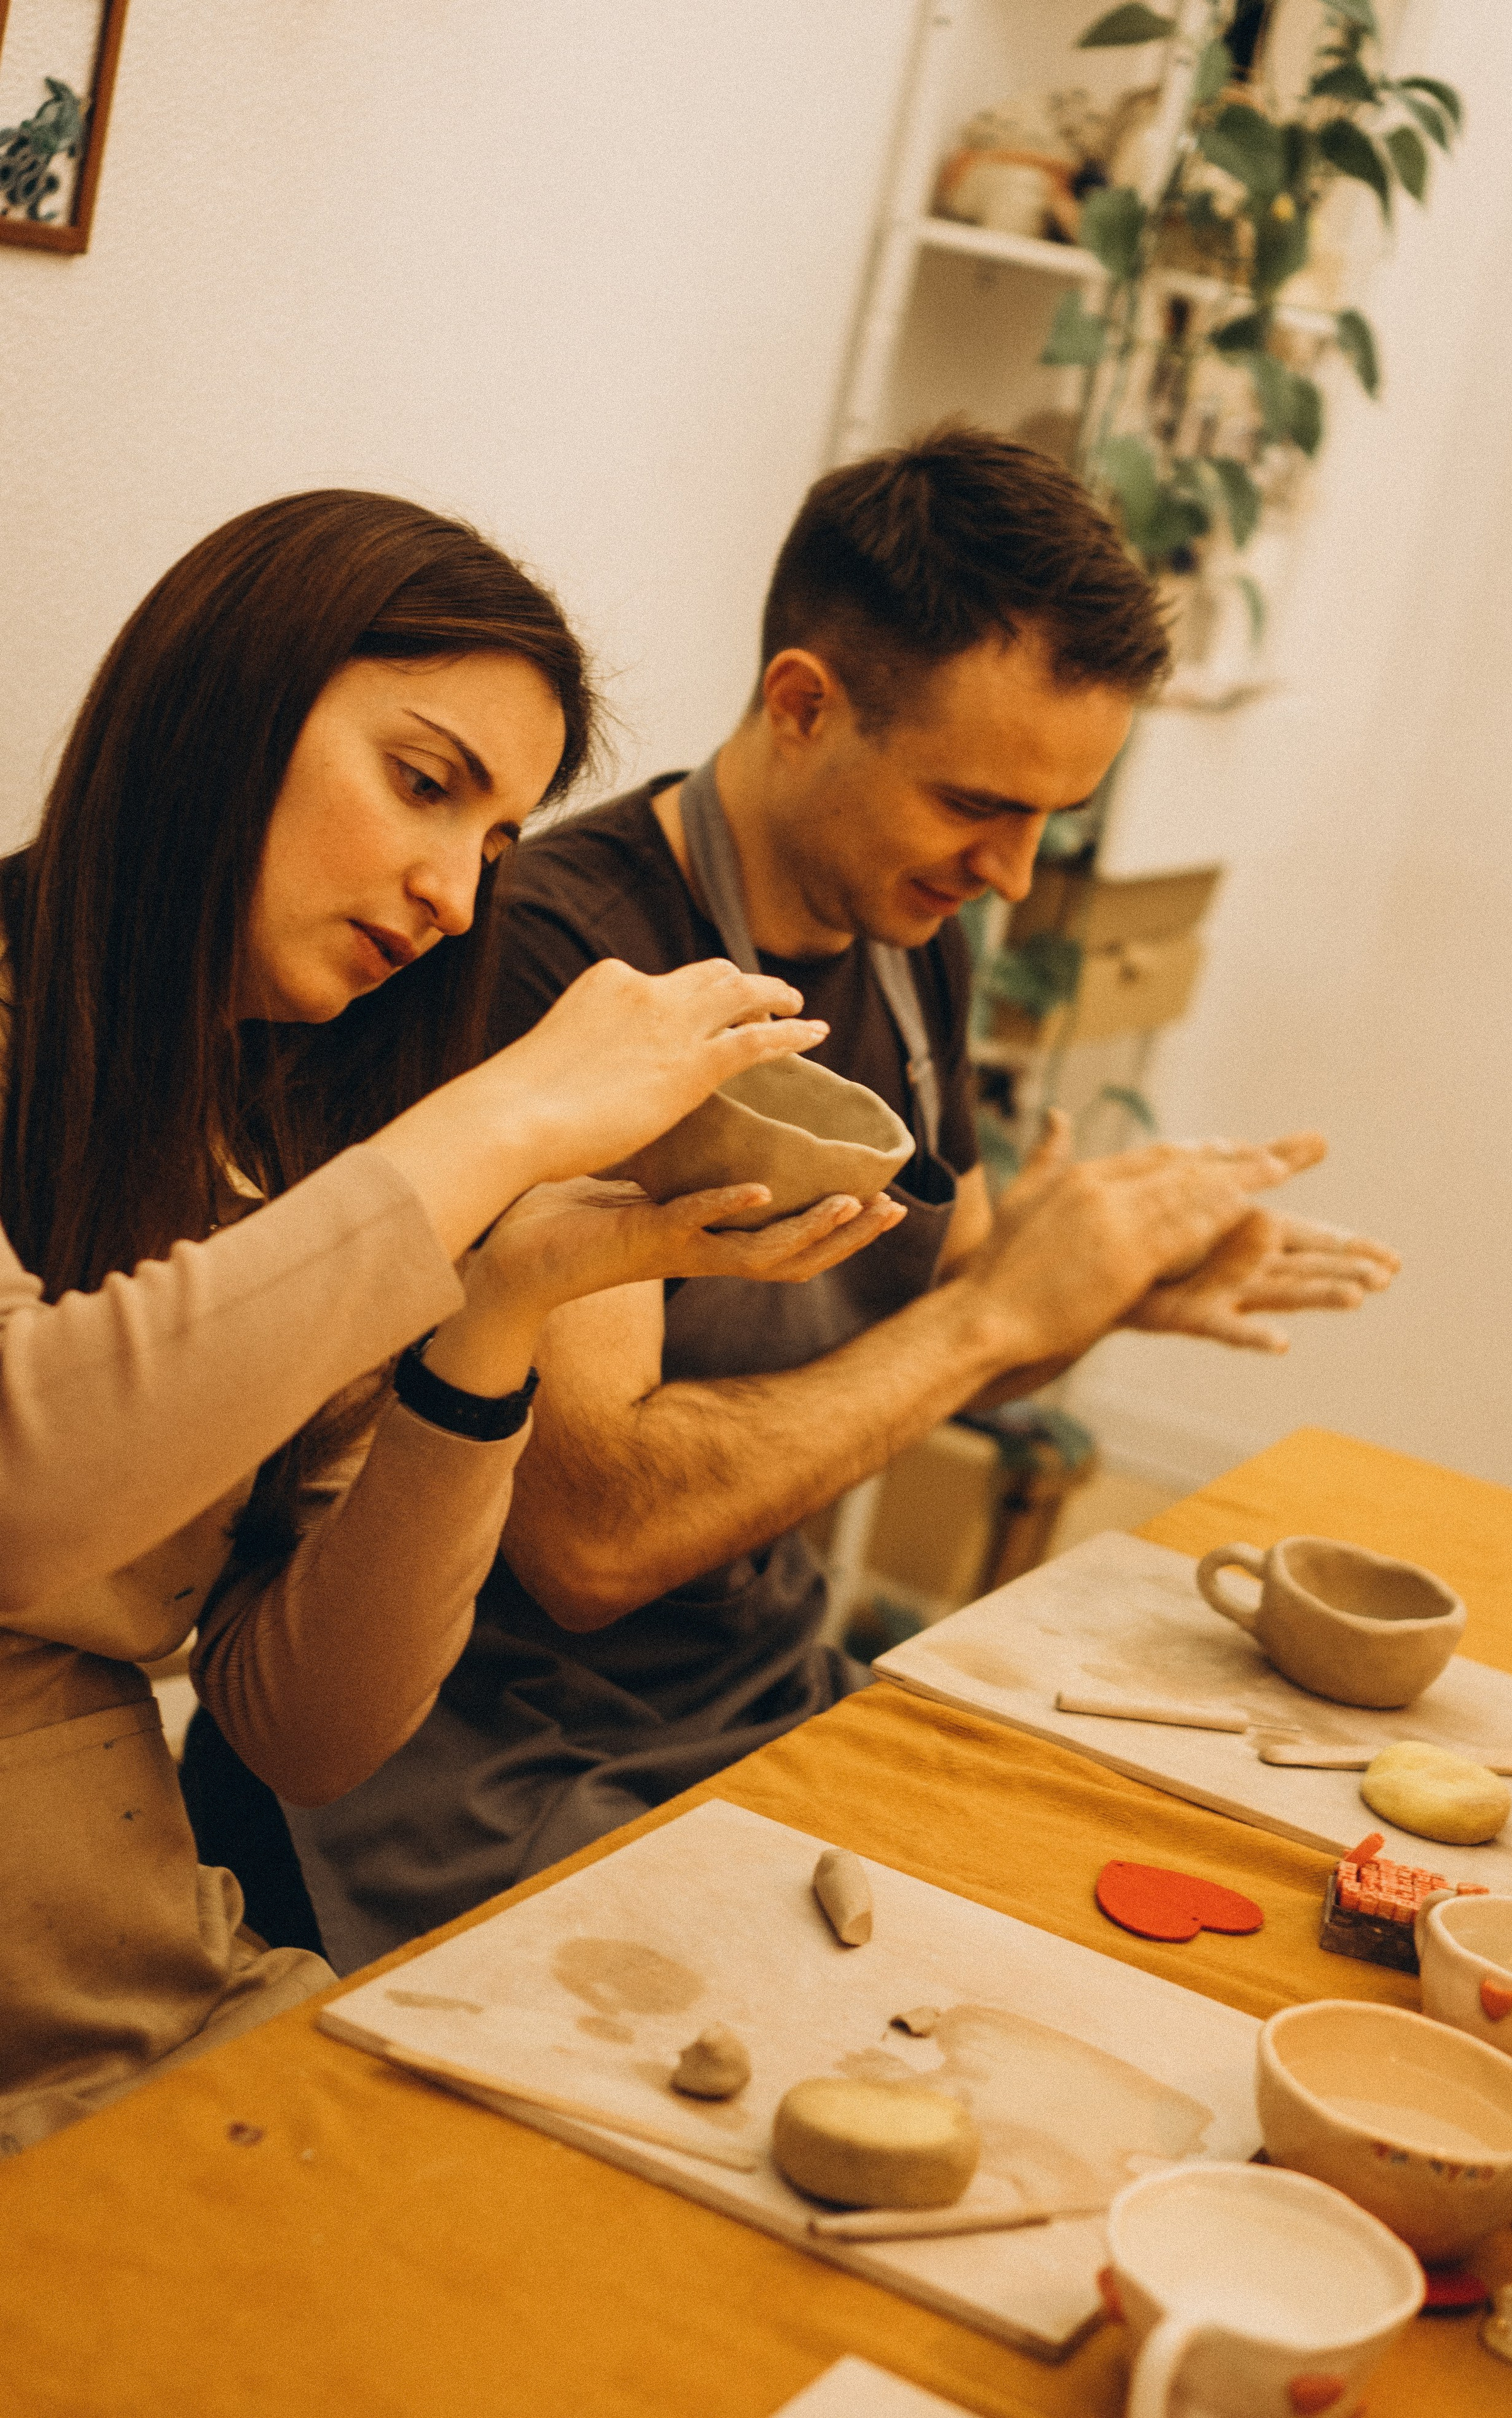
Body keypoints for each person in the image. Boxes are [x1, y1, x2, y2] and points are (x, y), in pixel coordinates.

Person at [284, 428, 1397, 1968]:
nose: (1009, 875)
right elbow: (595, 1540)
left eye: (1046, 822)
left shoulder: (904, 925)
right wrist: (1002, 1317)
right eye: (977, 807)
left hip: (755, 1700)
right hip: (489, 1768)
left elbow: (959, 1312)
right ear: (802, 705)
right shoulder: (552, 966)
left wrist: (1113, 1280)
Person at [0, 487, 891, 2153]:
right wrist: (499, 1118)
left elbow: (307, 1728)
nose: (457, 900)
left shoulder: (277, 1148)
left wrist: (499, 1310)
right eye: (423, 785)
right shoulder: (342, 1166)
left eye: (496, 845)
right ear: (225, 706)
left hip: (145, 1991)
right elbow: (25, 1482)